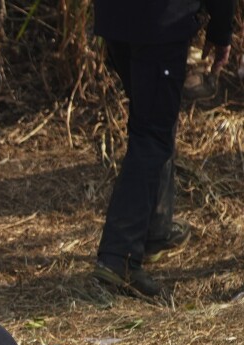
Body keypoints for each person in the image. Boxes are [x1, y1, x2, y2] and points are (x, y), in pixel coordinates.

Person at [90, 0, 234, 298]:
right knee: (151, 135)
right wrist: (221, 31)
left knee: (151, 123)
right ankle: (120, 258)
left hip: (117, 21)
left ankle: (155, 232)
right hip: (158, 24)